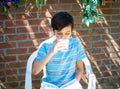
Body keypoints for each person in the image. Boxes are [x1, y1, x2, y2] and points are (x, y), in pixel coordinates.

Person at [32, 12, 87, 89]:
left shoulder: (75, 44)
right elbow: (35, 71)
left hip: (70, 84)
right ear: (53, 31)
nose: (63, 37)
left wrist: (74, 83)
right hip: (51, 86)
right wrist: (51, 52)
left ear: (71, 31)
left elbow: (80, 69)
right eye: (59, 33)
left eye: (67, 33)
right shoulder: (46, 46)